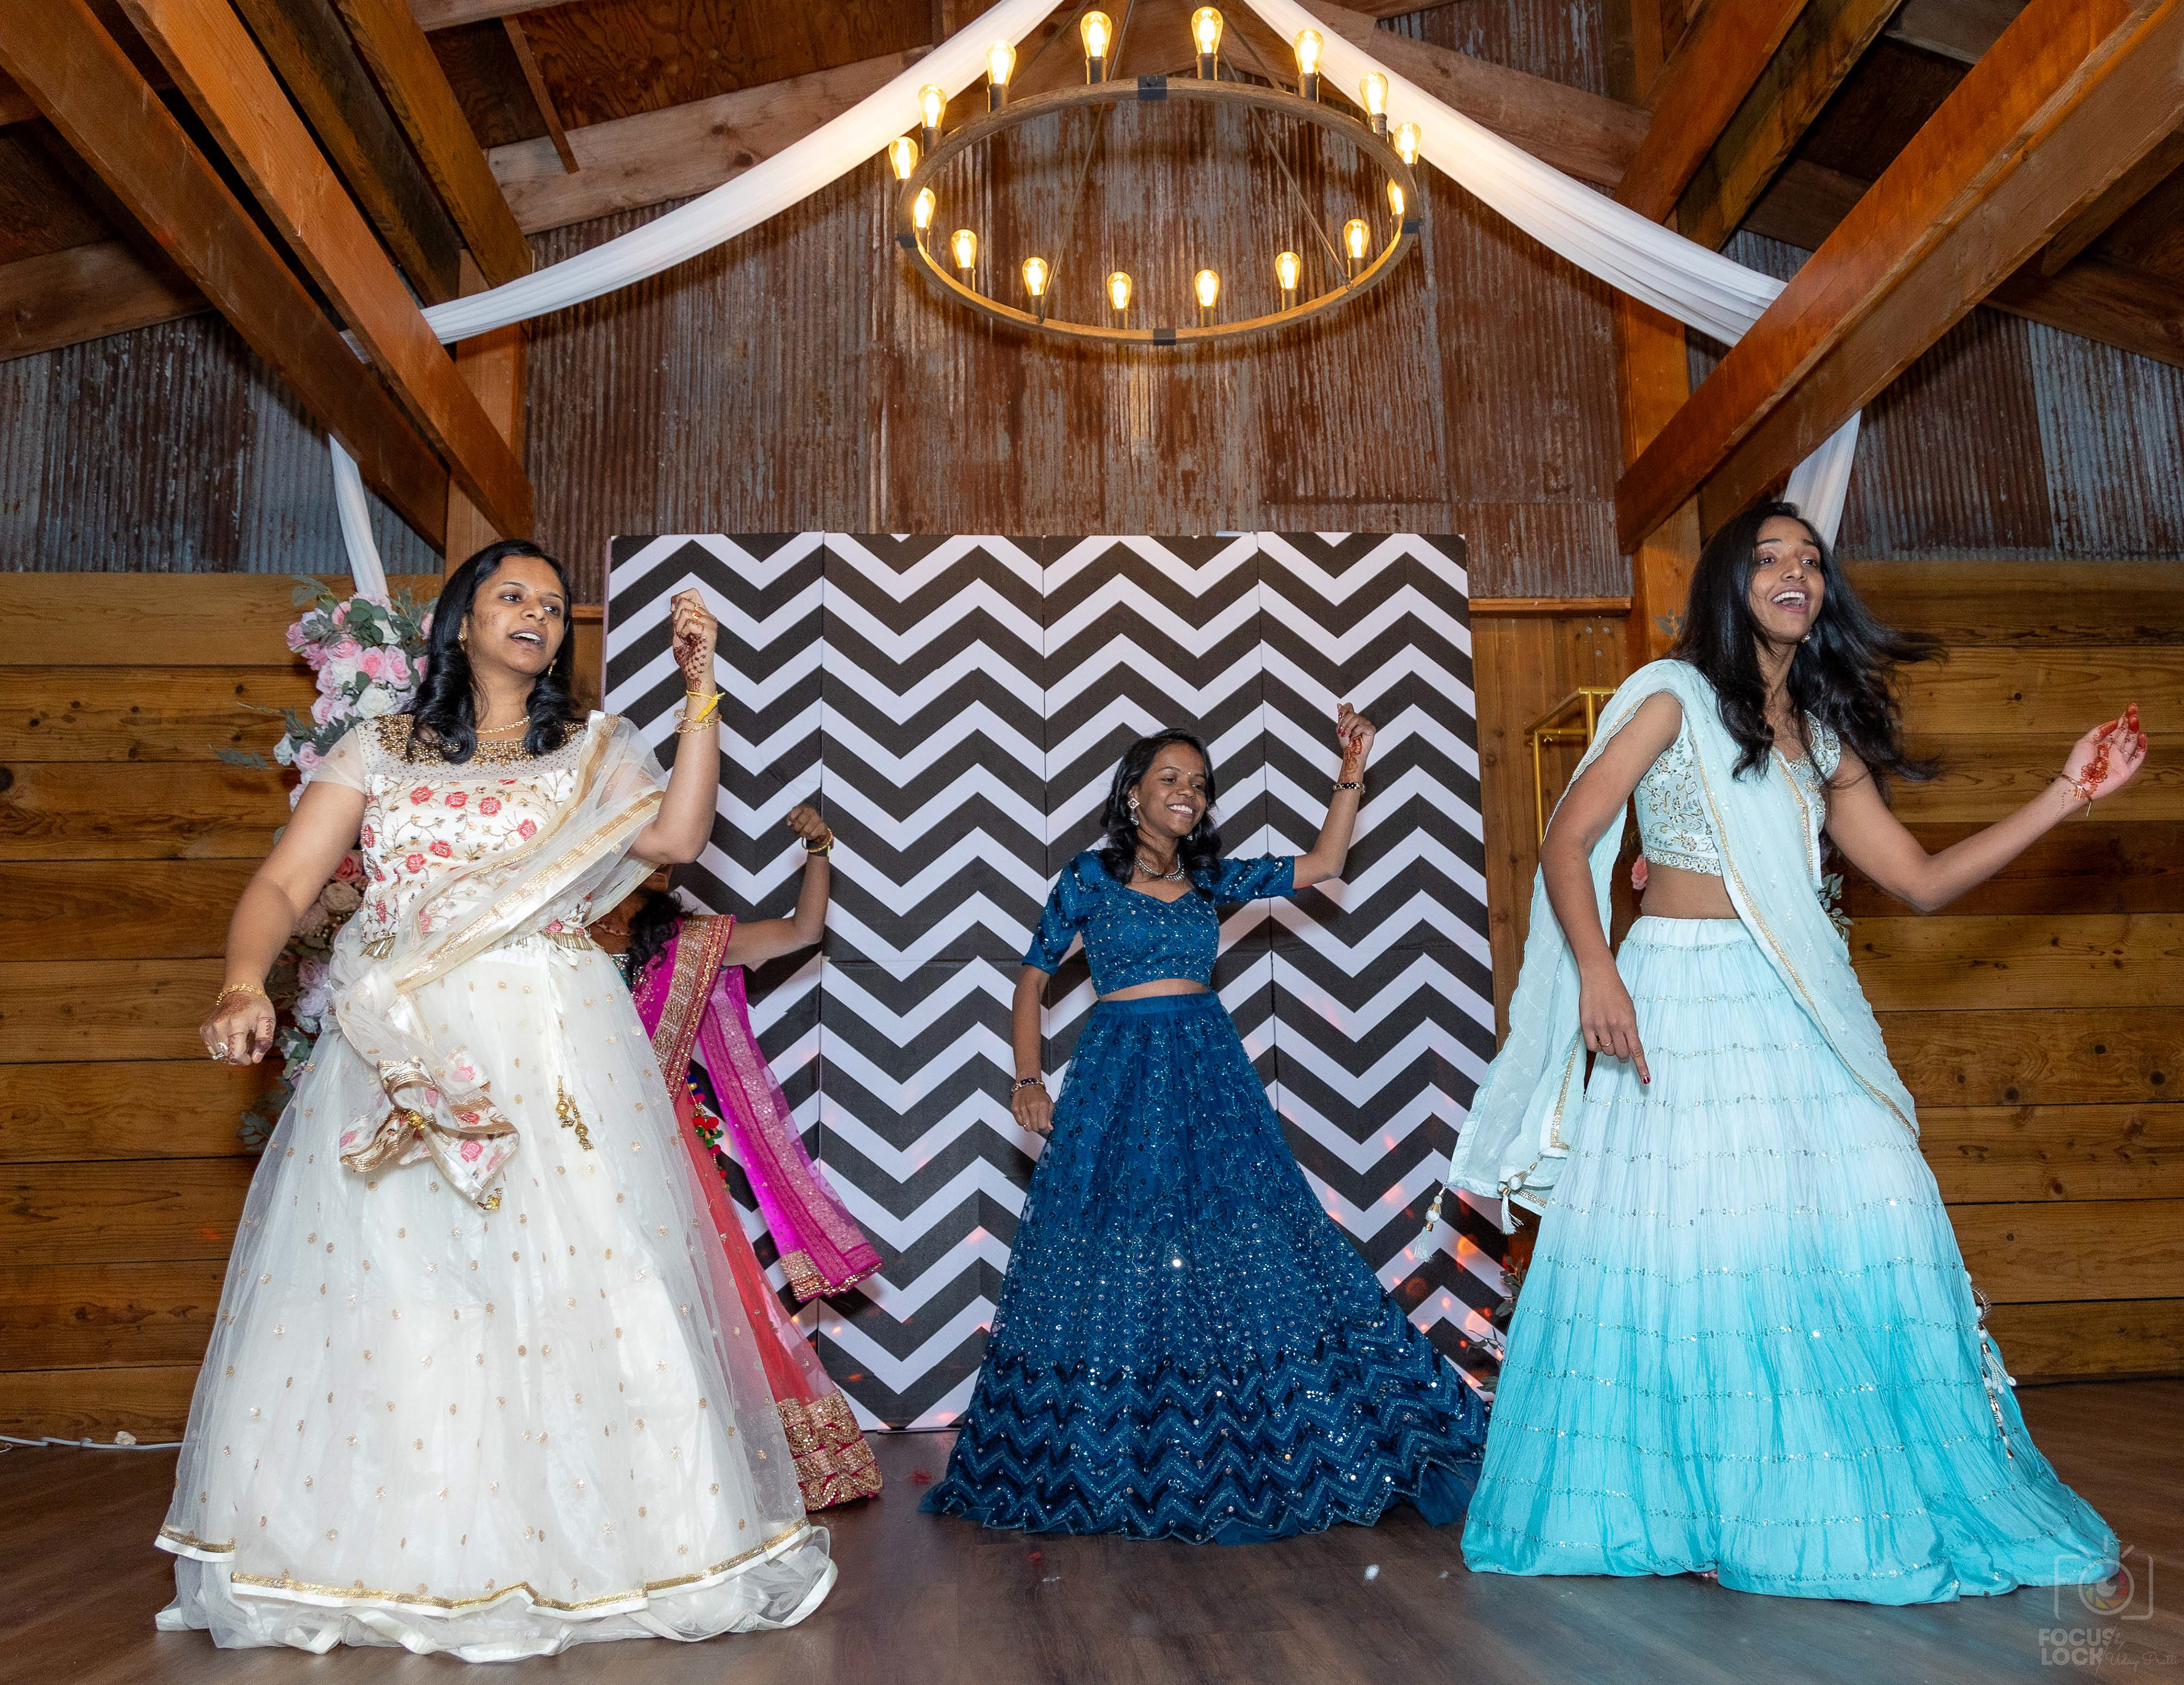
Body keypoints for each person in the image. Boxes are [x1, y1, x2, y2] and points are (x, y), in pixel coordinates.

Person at [1451, 499, 2140, 1602]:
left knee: (1880, 1207)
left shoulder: (1822, 737)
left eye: (1810, 560)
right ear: (1732, 584)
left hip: (1798, 1006)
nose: (1795, 572)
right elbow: (1571, 840)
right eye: (1770, 557)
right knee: (1702, 1251)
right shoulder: (1670, 697)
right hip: (1678, 997)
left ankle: (1804, 1490)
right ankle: (1691, 1503)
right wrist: (1598, 970)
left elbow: (1920, 881)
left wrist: (2069, 792)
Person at [168, 544, 835, 1659]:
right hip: (405, 1046)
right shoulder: (379, 748)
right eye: (511, 596)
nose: (536, 614)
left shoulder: (588, 750)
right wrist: (244, 981)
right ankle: (397, 1554)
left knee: (590, 1275)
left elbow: (675, 838)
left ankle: (628, 1543)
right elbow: (285, 881)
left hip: (550, 1041)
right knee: (397, 1285)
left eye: (552, 605)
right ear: (463, 619)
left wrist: (701, 692)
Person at [922, 711, 1488, 1543]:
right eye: (1170, 779)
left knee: (1249, 1242)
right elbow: (1032, 978)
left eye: (1199, 783)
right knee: (1109, 1252)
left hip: (1207, 1073)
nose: (1188, 793)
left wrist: (1353, 766)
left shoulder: (1213, 877)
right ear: (1133, 794)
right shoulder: (1089, 877)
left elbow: (1325, 864)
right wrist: (1028, 1078)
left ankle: (1249, 1439)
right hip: (1117, 1075)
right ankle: (1111, 1449)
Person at [590, 817, 883, 1513]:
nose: (663, 856)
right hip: (565, 1140)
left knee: (679, 1300)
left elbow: (801, 932)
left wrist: (819, 852)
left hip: (661, 1152)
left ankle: (700, 1468)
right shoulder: (558, 938)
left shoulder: (687, 944)